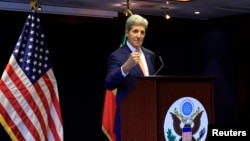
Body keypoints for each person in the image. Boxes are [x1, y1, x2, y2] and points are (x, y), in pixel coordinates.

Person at [105, 14, 156, 141]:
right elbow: (109, 83)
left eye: (142, 32)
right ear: (127, 32)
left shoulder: (150, 55)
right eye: (135, 31)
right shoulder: (117, 56)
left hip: (149, 119)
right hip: (128, 120)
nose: (139, 36)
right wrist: (125, 67)